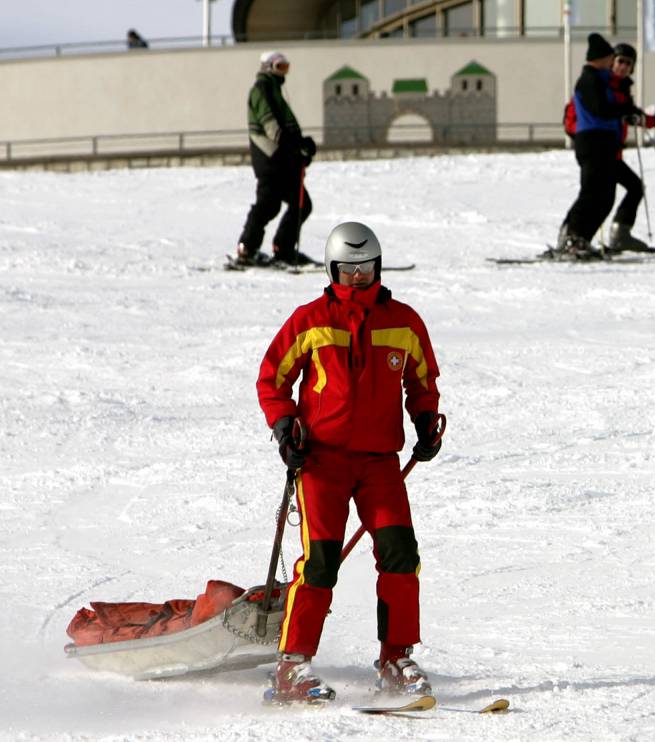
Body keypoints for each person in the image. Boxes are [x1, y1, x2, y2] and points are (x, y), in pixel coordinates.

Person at [256, 221, 444, 704]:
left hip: (380, 461)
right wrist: (284, 428)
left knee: (401, 554)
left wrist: (424, 421)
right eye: (348, 270)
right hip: (323, 462)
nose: (358, 278)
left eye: (366, 269)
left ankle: (395, 657)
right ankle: (290, 666)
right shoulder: (311, 320)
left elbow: (421, 382)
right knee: (320, 563)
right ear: (332, 269)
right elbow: (272, 381)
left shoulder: (404, 322)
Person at [555, 33, 646, 260]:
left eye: (627, 63)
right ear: (602, 59)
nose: (615, 64)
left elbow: (617, 108)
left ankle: (582, 239)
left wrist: (638, 115)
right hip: (592, 142)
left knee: (605, 197)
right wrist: (625, 113)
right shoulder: (590, 80)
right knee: (592, 194)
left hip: (605, 144)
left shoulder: (604, 80)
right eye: (612, 59)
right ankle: (570, 236)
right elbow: (601, 109)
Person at [235, 51, 319, 268]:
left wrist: (301, 147)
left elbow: (285, 127)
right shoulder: (262, 89)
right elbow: (272, 126)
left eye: (286, 67)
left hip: (281, 159)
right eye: (280, 67)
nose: (284, 72)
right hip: (270, 159)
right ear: (268, 66)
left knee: (300, 204)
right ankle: (247, 248)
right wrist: (296, 146)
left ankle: (283, 249)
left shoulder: (274, 89)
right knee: (269, 204)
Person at [605, 42, 655, 253]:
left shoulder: (622, 88)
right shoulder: (606, 84)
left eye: (628, 63)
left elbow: (633, 114)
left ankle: (618, 234)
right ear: (612, 61)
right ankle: (584, 237)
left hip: (613, 152)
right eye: (620, 61)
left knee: (633, 188)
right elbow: (609, 110)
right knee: (602, 197)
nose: (623, 66)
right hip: (601, 150)